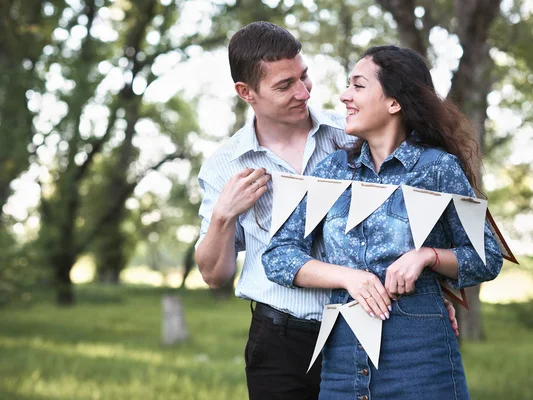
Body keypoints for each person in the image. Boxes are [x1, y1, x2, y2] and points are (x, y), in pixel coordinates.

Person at [195, 22, 459, 400]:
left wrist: (431, 289)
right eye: (285, 86)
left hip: (365, 331)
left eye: (304, 77)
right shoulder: (226, 166)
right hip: (282, 341)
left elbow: (414, 216)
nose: (303, 93)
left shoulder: (351, 134)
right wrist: (223, 215)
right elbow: (213, 274)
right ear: (246, 92)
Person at [263, 45, 503, 399]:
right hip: (342, 352)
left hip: (419, 351)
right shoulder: (331, 171)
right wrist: (348, 277)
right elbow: (278, 256)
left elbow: (487, 257)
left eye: (358, 86)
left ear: (394, 102)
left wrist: (427, 257)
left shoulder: (437, 168)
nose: (344, 96)